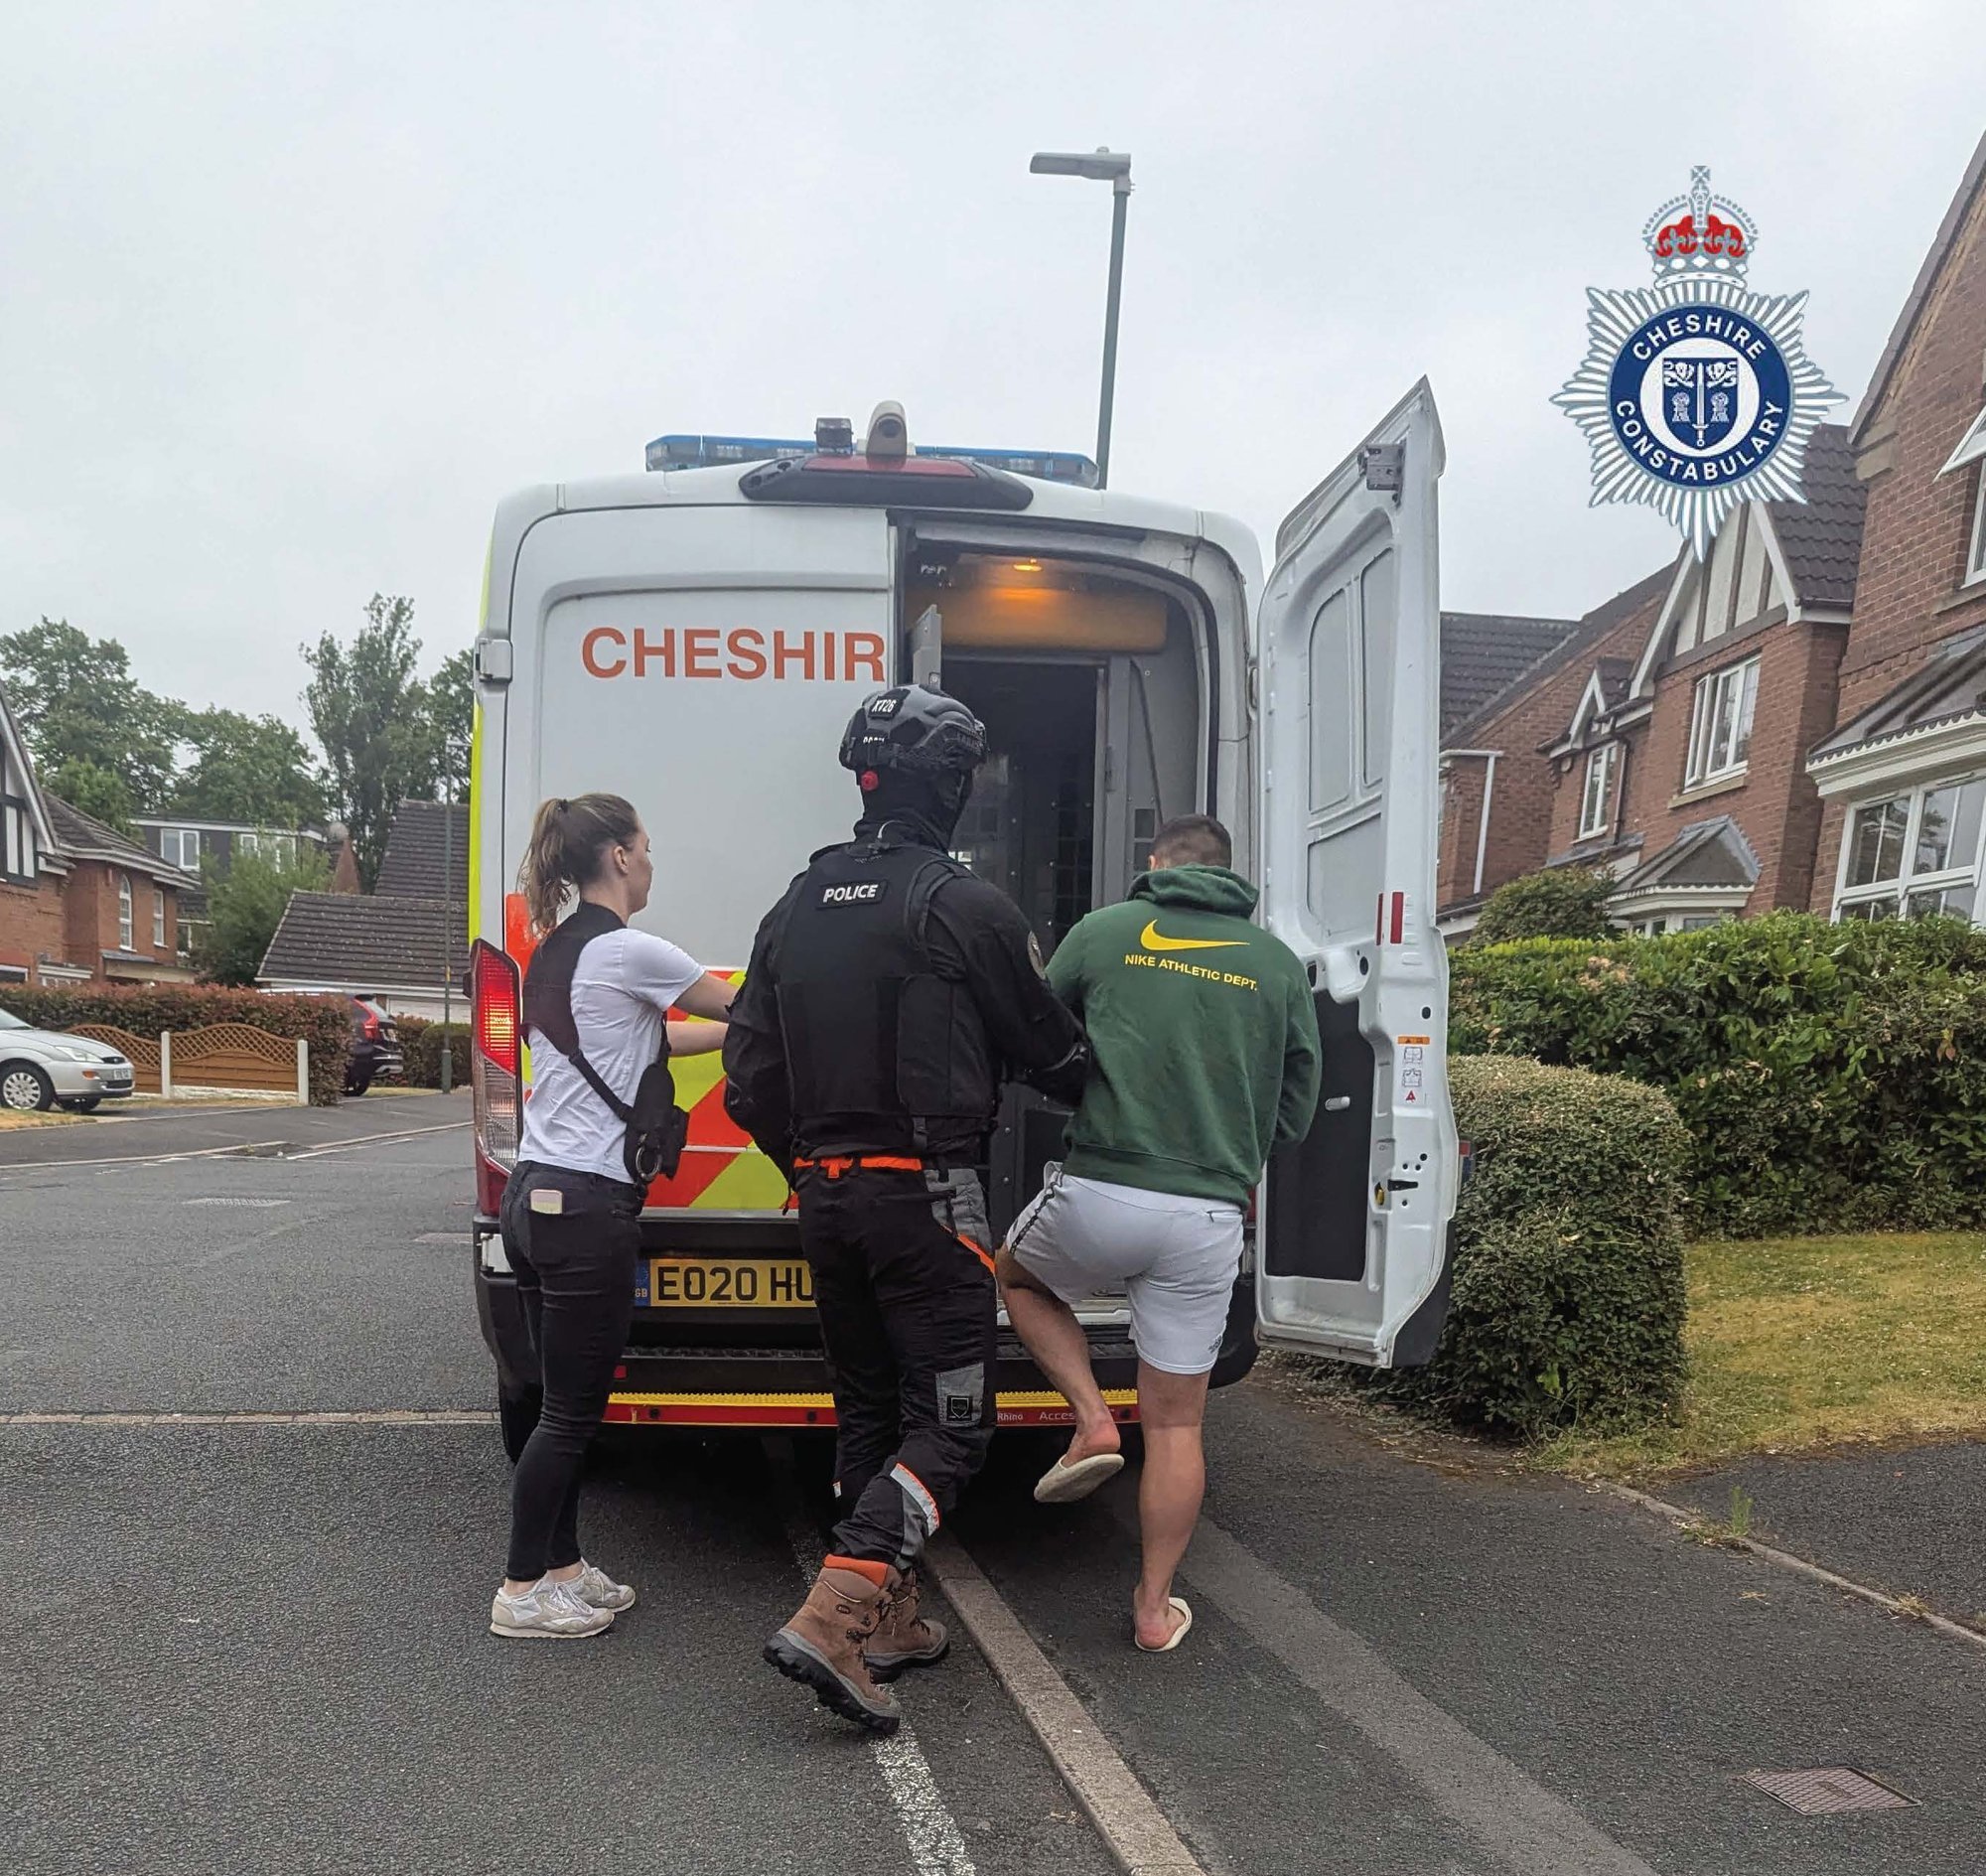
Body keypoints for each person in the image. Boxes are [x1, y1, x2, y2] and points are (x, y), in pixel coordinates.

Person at [724, 684, 1088, 1734]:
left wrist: (804, 1165)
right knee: (954, 1428)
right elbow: (1050, 1049)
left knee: (870, 1414)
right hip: (930, 1198)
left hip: (827, 1200)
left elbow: (747, 1075)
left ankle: (887, 1621)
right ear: (953, 784)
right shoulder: (961, 902)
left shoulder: (792, 905)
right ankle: (837, 1615)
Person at [997, 813, 1320, 1654]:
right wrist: (1232, 1148)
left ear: (1155, 864)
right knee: (1177, 1426)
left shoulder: (1107, 931)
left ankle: (1091, 1416)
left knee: (1021, 1278)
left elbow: (1035, 1030)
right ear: (1228, 872)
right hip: (1208, 1213)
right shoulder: (1279, 965)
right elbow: (1296, 1107)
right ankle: (1151, 1608)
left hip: (1102, 1187)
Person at [490, 794, 736, 1640]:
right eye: (647, 846)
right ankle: (522, 1588)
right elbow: (730, 1005)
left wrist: (730, 1045)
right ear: (621, 858)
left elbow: (652, 1042)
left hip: (534, 1196)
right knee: (569, 1416)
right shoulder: (634, 948)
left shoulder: (557, 952)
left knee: (559, 1400)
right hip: (588, 1207)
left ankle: (561, 1568)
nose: (653, 861)